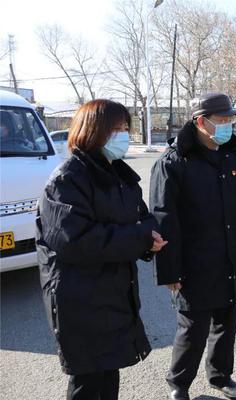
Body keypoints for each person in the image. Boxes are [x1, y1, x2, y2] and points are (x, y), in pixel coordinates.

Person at [36, 99, 168, 400]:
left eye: (125, 128)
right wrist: (140, 238)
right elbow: (77, 240)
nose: (123, 135)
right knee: (88, 379)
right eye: (115, 129)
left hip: (114, 291)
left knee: (110, 370)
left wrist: (150, 239)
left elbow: (142, 218)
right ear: (92, 131)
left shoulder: (118, 175)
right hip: (79, 297)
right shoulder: (67, 180)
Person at [150, 92, 236, 400]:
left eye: (230, 120)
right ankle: (179, 383)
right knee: (192, 328)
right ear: (200, 122)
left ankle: (220, 375)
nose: (228, 126)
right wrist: (169, 270)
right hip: (193, 263)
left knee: (226, 323)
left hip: (231, 257)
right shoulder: (173, 162)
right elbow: (164, 219)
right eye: (222, 120)